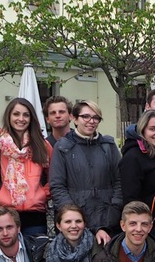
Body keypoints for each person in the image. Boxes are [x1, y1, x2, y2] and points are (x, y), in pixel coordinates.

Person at [0, 97, 53, 236]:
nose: (21, 118)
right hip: (5, 214)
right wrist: (1, 198)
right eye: (16, 114)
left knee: (34, 257)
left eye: (26, 115)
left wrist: (40, 195)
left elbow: (55, 178)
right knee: (7, 257)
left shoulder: (42, 145)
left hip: (35, 214)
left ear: (31, 118)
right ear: (9, 116)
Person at [49, 100, 123, 244]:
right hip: (75, 227)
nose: (91, 121)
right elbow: (58, 187)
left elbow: (119, 183)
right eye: (86, 117)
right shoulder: (63, 147)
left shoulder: (108, 146)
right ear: (75, 119)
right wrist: (75, 220)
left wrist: (107, 222)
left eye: (96, 118)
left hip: (108, 223)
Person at [119, 109, 155, 247]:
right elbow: (131, 199)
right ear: (143, 130)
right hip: (150, 228)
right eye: (152, 129)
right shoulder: (133, 157)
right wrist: (141, 225)